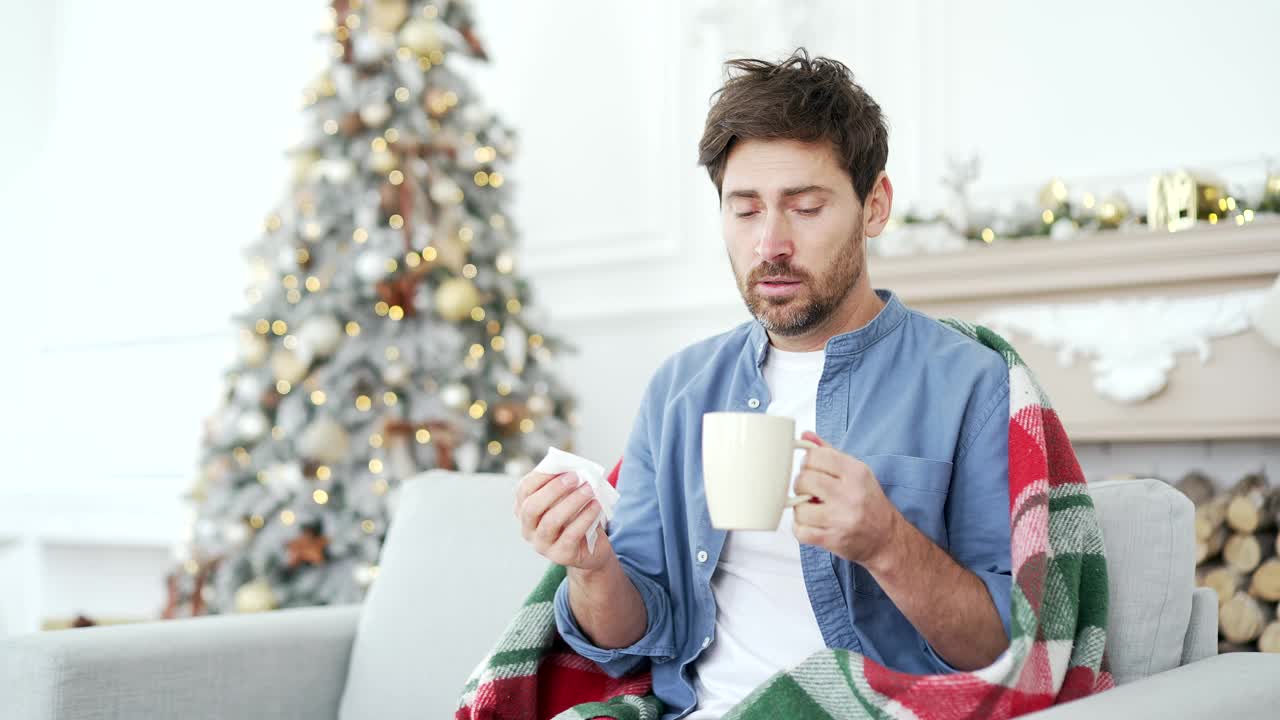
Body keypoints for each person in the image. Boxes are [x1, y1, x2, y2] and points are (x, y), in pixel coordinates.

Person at [514, 48, 1012, 720]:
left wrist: (887, 543)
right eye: (744, 210)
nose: (770, 243)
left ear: (875, 205)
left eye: (805, 208)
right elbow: (631, 638)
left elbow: (1002, 647)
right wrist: (590, 566)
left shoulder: (969, 383)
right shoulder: (682, 388)